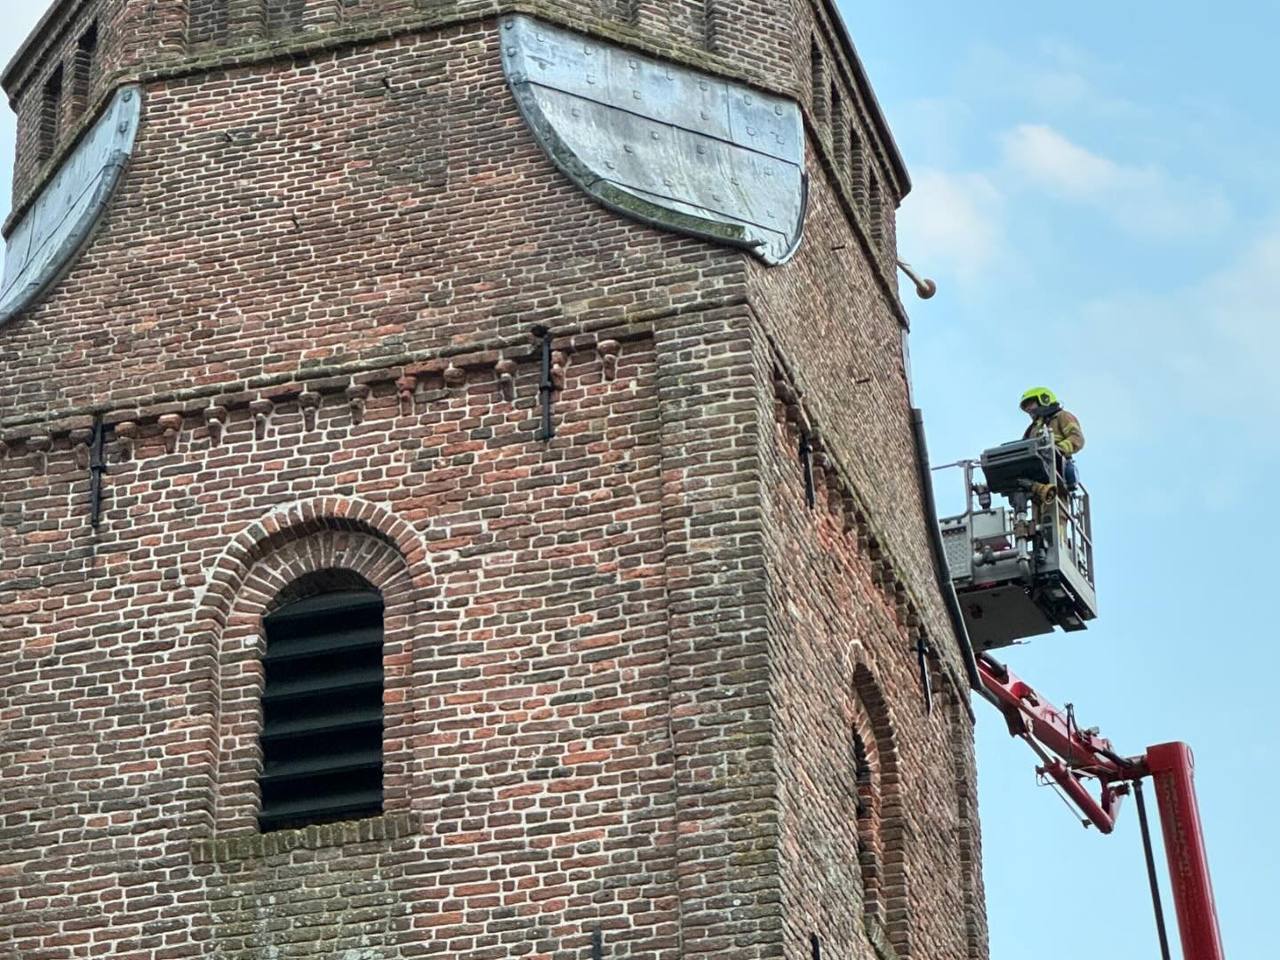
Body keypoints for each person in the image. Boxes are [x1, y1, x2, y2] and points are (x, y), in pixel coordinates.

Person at [1019, 386, 1083, 502]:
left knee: (1056, 513)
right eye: (1026, 407)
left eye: (1030, 404)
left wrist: (1057, 450)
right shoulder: (1031, 429)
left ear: (1044, 399)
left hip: (1056, 474)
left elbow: (1077, 438)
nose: (1028, 409)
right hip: (1037, 480)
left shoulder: (1062, 416)